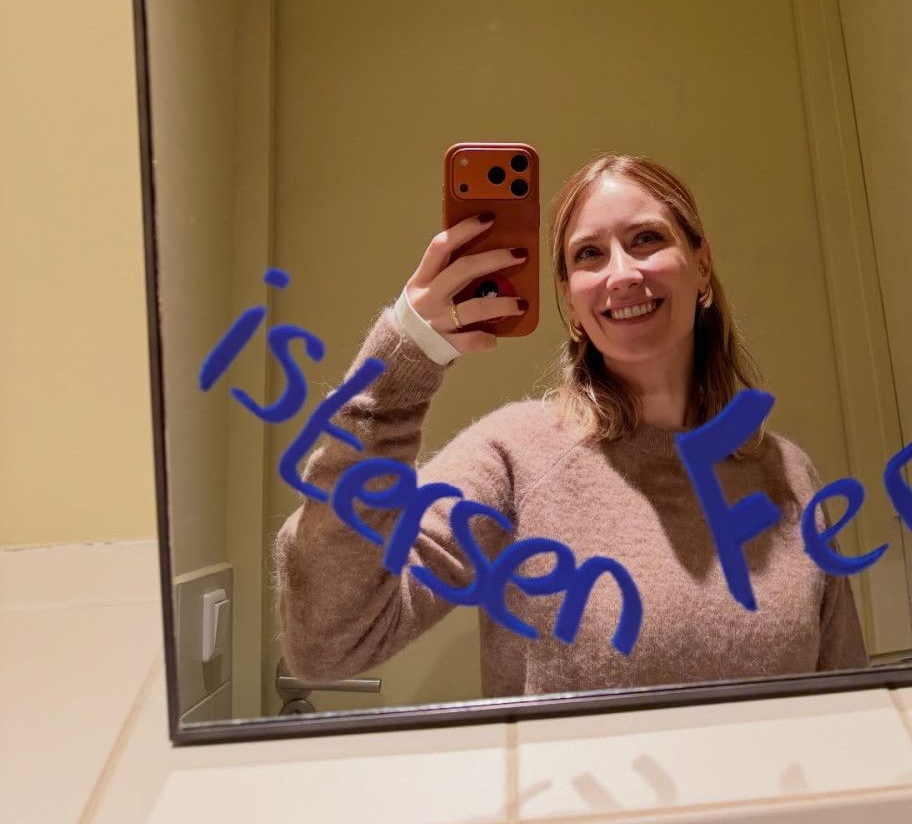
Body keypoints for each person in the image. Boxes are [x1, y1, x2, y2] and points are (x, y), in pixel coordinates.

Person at [274, 153, 867, 695]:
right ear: (571, 301)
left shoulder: (789, 474)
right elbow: (329, 643)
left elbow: (846, 701)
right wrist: (402, 361)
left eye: (646, 239)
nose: (621, 274)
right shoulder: (514, 457)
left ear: (702, 265)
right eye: (589, 254)